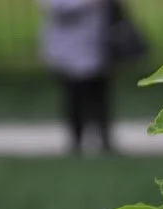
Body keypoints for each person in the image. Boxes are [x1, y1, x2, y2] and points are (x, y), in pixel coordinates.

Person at [39, 0, 114, 155]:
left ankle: (105, 139)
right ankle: (76, 141)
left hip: (98, 45)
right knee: (74, 98)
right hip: (68, 50)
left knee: (100, 96)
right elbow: (55, 8)